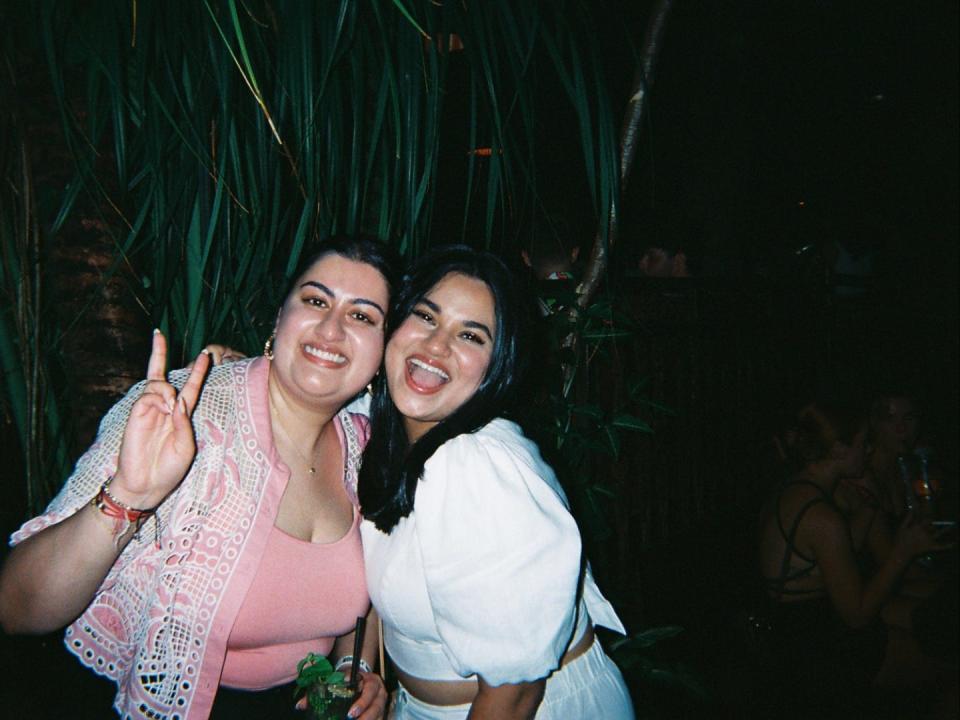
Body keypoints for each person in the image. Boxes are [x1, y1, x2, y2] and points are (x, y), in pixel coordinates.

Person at [0, 236, 396, 719]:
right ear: (279, 319)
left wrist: (355, 664)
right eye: (315, 300)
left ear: (381, 352)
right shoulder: (179, 413)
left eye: (362, 316)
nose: (332, 328)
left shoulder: (367, 449)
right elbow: (15, 607)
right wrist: (131, 495)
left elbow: (373, 585)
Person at [358, 246, 635, 719]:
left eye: (471, 335)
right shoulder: (382, 435)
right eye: (426, 316)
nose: (437, 345)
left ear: (497, 365)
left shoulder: (475, 466)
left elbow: (516, 693)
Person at [757, 398, 950, 706]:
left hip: (803, 632)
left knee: (935, 634)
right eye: (863, 443)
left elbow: (831, 562)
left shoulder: (796, 488)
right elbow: (857, 616)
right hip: (819, 652)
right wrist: (903, 551)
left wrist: (868, 510)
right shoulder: (820, 515)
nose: (869, 451)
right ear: (838, 450)